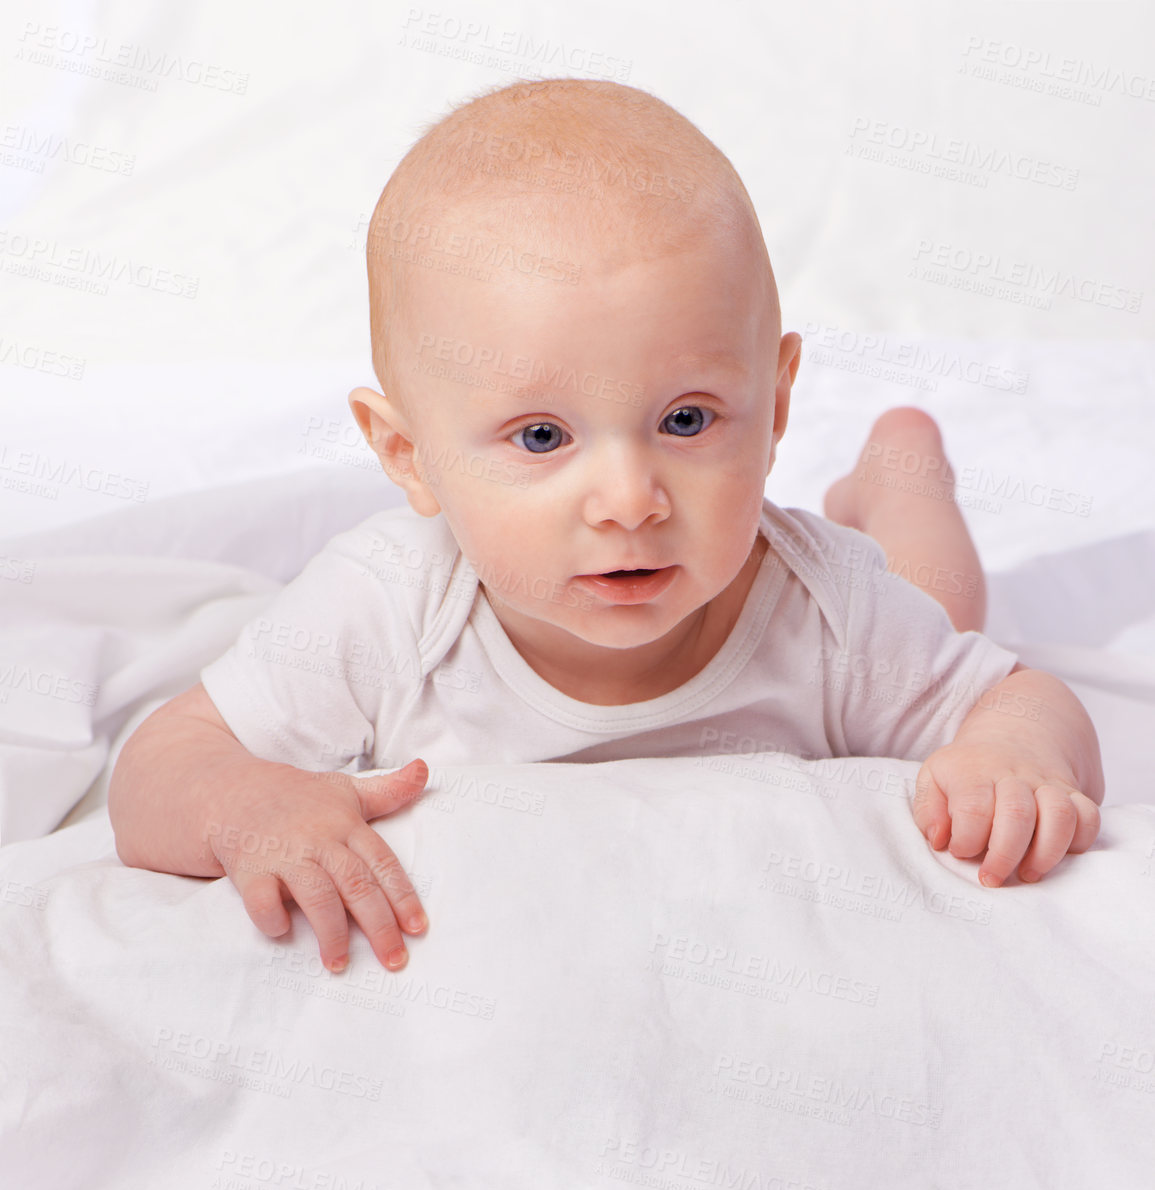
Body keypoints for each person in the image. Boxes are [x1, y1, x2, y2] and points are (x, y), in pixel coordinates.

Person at [108, 76, 1104, 977]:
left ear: (776, 406)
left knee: (936, 588)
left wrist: (1016, 760)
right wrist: (248, 809)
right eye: (542, 435)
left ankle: (902, 476)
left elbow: (1022, 702)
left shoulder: (832, 612)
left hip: (883, 581)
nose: (630, 499)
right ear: (407, 456)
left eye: (687, 419)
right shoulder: (384, 610)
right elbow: (160, 768)